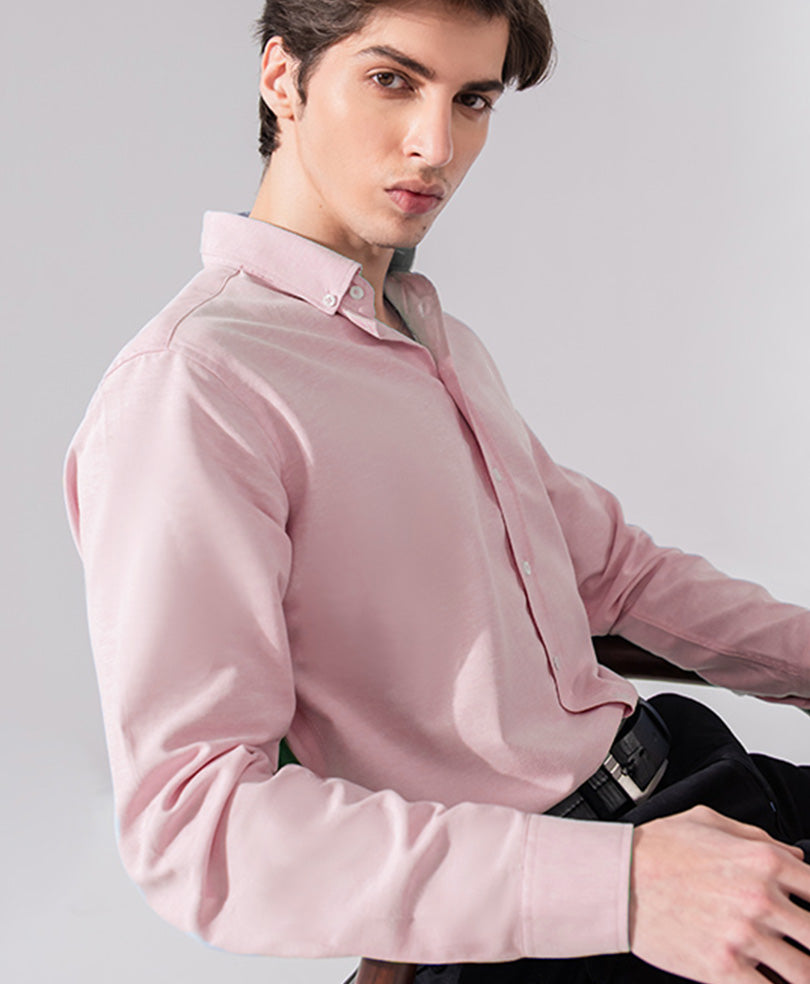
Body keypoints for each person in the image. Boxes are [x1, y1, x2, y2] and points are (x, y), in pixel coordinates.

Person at [62, 1, 810, 982]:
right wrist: (624, 888)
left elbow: (615, 577)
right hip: (568, 916)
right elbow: (195, 824)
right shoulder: (194, 387)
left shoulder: (429, 336)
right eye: (392, 81)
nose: (436, 146)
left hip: (695, 791)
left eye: (471, 100)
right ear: (283, 78)